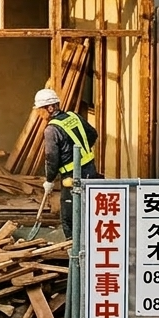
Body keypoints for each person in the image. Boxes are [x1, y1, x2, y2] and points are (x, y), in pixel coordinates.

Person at [36, 88, 101, 239]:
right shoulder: (74, 117)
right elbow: (93, 134)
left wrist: (49, 180)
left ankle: (74, 254)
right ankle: (90, 245)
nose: (39, 114)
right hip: (90, 171)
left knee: (69, 217)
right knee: (89, 210)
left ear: (50, 108)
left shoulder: (51, 130)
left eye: (40, 110)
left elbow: (51, 157)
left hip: (71, 178)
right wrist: (80, 152)